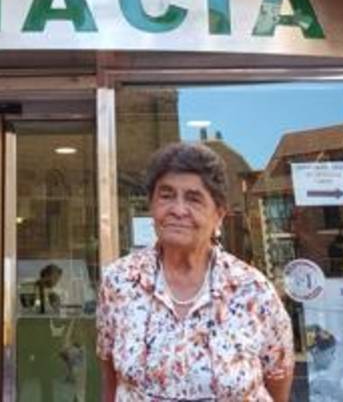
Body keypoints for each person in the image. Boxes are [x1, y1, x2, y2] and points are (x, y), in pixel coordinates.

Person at [97, 143, 295, 402]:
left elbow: (278, 381)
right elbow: (111, 379)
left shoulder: (253, 291)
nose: (178, 210)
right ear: (152, 205)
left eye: (194, 198)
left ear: (219, 214)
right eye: (166, 195)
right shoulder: (119, 282)